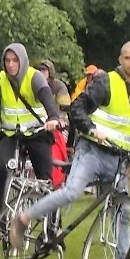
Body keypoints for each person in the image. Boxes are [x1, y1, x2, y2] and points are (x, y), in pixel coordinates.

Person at [9, 40, 130, 259]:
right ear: (120, 60)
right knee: (72, 191)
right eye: (127, 58)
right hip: (92, 150)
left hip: (119, 157)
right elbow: (77, 107)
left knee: (122, 209)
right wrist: (91, 129)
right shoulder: (107, 82)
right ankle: (23, 219)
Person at [0, 43, 62, 224]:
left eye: (15, 60)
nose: (10, 64)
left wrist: (53, 117)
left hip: (37, 134)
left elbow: (47, 98)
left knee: (45, 180)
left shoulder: (35, 77)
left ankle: (54, 226)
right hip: (11, 134)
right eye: (7, 60)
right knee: (0, 168)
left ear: (22, 61)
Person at [36, 59, 71, 188]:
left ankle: (61, 177)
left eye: (44, 70)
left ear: (50, 72)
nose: (41, 72)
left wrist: (60, 118)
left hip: (60, 125)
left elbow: (65, 105)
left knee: (57, 149)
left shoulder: (59, 86)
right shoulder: (33, 85)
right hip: (40, 124)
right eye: (39, 70)